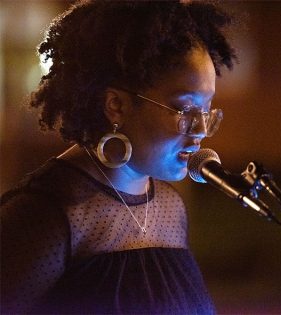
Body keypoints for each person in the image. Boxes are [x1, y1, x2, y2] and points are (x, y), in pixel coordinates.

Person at [0, 1, 236, 313]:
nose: (200, 130)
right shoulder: (47, 216)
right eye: (184, 110)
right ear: (117, 105)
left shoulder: (169, 208)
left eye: (206, 111)